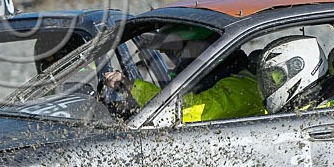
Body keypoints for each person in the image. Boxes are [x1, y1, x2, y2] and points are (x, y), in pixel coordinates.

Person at [102, 49, 265, 123]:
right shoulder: (240, 82)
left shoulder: (239, 89)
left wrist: (130, 86)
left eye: (179, 56)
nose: (173, 68)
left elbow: (182, 110)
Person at [256, 36, 332, 114]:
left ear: (297, 65)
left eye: (276, 77)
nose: (270, 86)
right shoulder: (300, 111)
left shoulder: (326, 112)